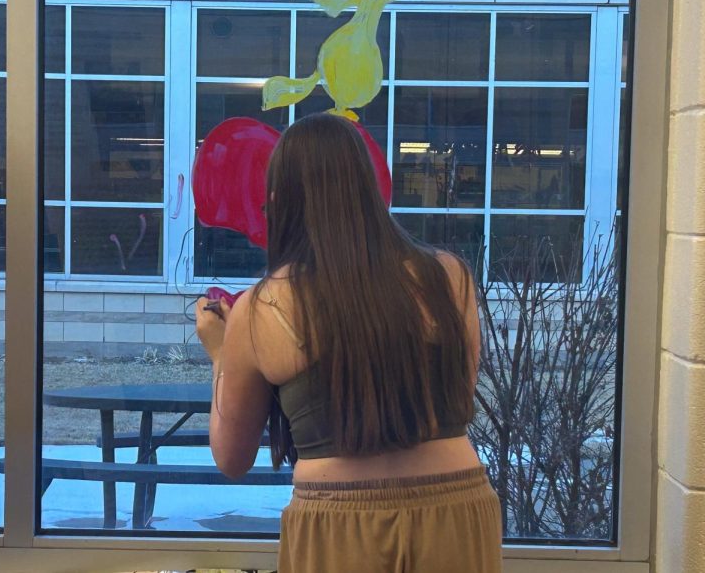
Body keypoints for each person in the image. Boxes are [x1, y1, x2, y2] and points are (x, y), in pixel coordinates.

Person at [196, 113, 501, 573]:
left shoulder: (264, 307)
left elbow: (231, 458)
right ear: (370, 191)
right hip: (457, 504)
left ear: (278, 202)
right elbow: (457, 401)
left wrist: (220, 353)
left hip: (338, 518)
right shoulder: (449, 277)